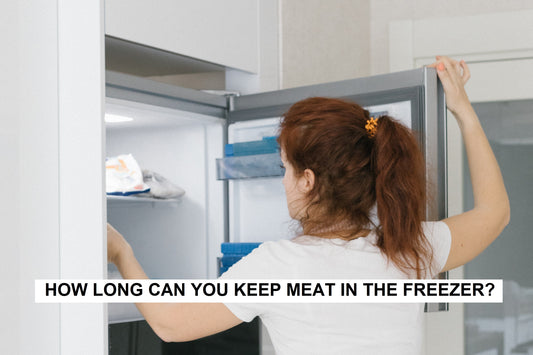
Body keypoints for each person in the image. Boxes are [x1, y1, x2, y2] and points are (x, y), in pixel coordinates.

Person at [107, 56, 510, 354]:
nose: (283, 181)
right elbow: (495, 213)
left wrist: (123, 253)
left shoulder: (277, 266)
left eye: (285, 168)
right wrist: (463, 111)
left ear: (309, 180)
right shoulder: (408, 247)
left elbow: (172, 325)